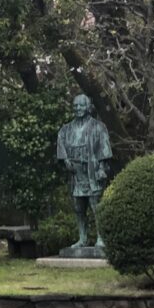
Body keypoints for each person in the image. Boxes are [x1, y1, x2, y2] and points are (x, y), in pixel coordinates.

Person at [56, 94, 113, 251]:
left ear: (88, 107)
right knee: (79, 208)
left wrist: (102, 168)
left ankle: (101, 238)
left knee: (96, 206)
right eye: (75, 106)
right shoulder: (66, 129)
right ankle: (82, 238)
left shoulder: (98, 127)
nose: (78, 109)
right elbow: (61, 145)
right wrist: (66, 161)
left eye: (81, 105)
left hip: (92, 172)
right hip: (76, 173)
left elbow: (104, 149)